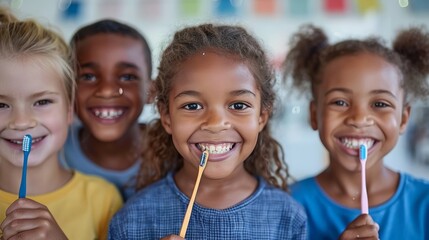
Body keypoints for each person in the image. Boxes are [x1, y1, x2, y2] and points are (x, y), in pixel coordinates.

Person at [108, 23, 307, 239]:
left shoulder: (287, 218)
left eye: (238, 105)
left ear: (262, 116)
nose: (215, 123)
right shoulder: (132, 219)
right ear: (166, 117)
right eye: (192, 106)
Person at [283, 24, 429, 240]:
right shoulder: (284, 206)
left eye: (380, 104)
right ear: (314, 115)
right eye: (340, 102)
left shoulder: (424, 204)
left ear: (403, 119)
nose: (359, 119)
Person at [0, 9, 122, 240]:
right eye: (1, 105)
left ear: (69, 109)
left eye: (42, 101)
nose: (22, 121)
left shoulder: (102, 200)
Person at [60, 19, 152, 201]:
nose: (107, 90)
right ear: (67, 87)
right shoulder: (52, 152)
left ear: (152, 90)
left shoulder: (177, 155)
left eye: (127, 77)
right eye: (88, 76)